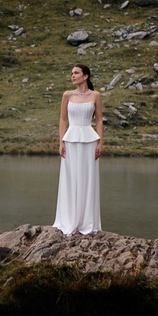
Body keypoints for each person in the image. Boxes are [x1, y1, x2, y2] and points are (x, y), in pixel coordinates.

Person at [54, 63, 102, 236]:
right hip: (71, 139)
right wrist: (61, 142)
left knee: (88, 179)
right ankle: (68, 220)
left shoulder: (95, 95)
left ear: (85, 76)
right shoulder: (67, 95)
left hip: (89, 140)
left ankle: (87, 223)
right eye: (71, 73)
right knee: (70, 178)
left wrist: (100, 142)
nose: (72, 76)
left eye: (76, 73)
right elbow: (62, 120)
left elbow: (98, 120)